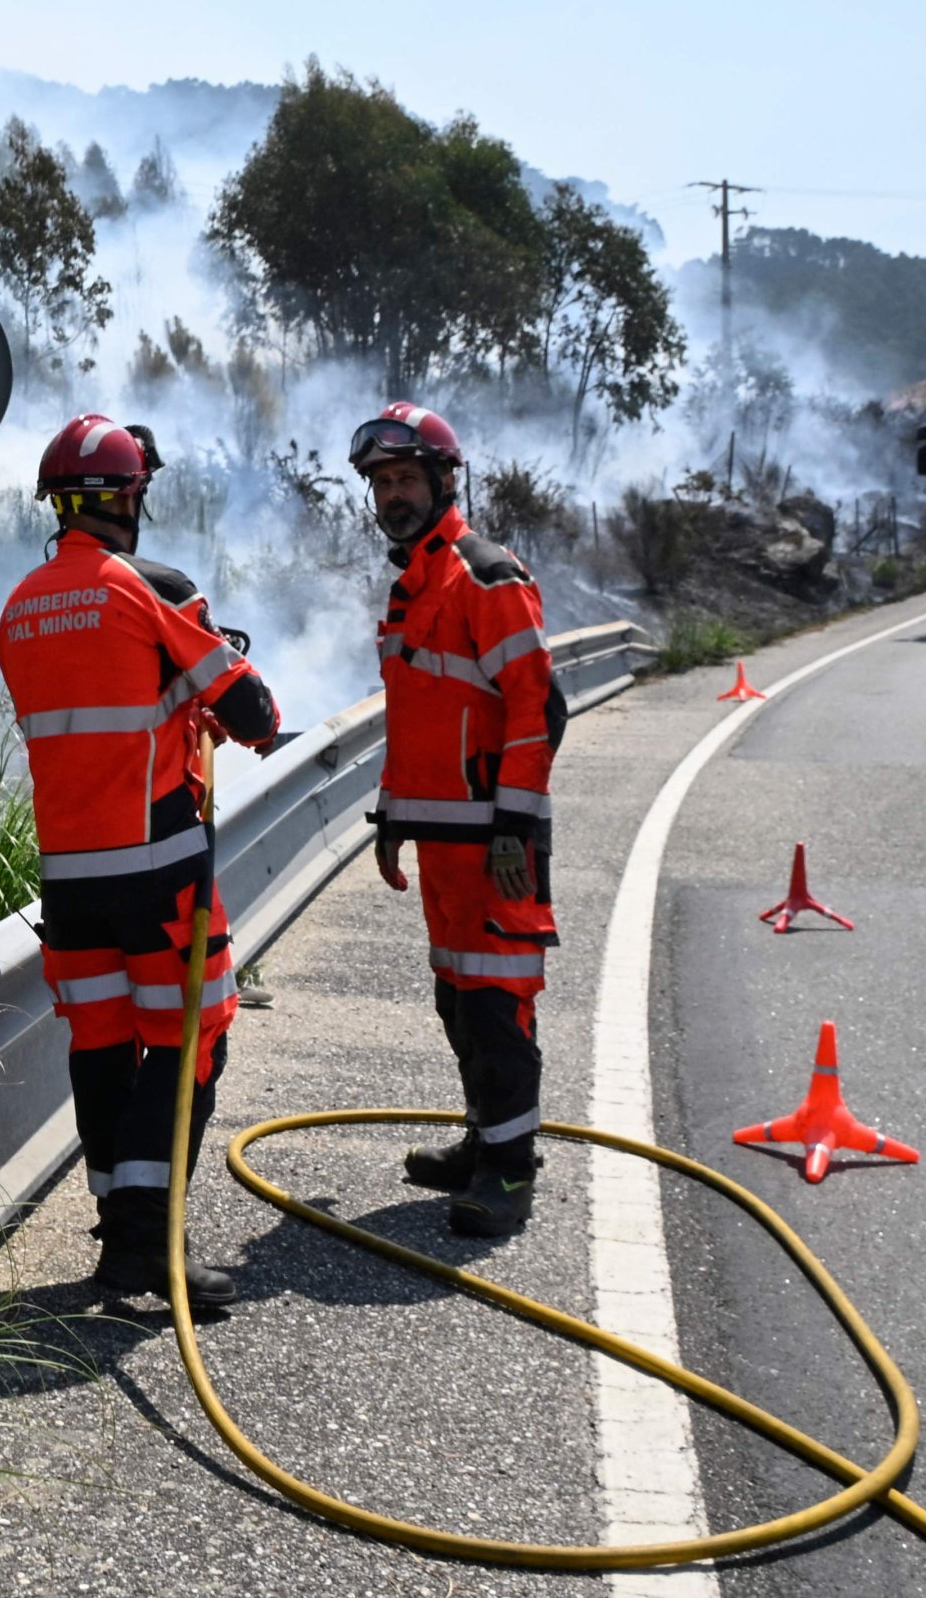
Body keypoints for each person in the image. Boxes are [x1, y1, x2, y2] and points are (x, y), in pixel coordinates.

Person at [0, 414, 280, 1305]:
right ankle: (148, 1244)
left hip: (68, 880)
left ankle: (118, 1233)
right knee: (192, 1039)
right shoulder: (143, 589)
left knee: (104, 1046)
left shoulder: (19, 609)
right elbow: (255, 711)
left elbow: (92, 713)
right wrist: (214, 665)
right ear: (125, 497)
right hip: (157, 870)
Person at [351, 402, 564, 1239]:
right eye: (382, 483)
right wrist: (393, 816)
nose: (394, 495)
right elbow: (418, 717)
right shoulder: (413, 587)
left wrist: (514, 823)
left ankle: (510, 1174)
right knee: (456, 999)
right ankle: (485, 1140)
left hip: (494, 846)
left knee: (497, 1005)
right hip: (443, 846)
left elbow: (537, 709)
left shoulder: (485, 574)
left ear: (444, 480)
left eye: (406, 478)